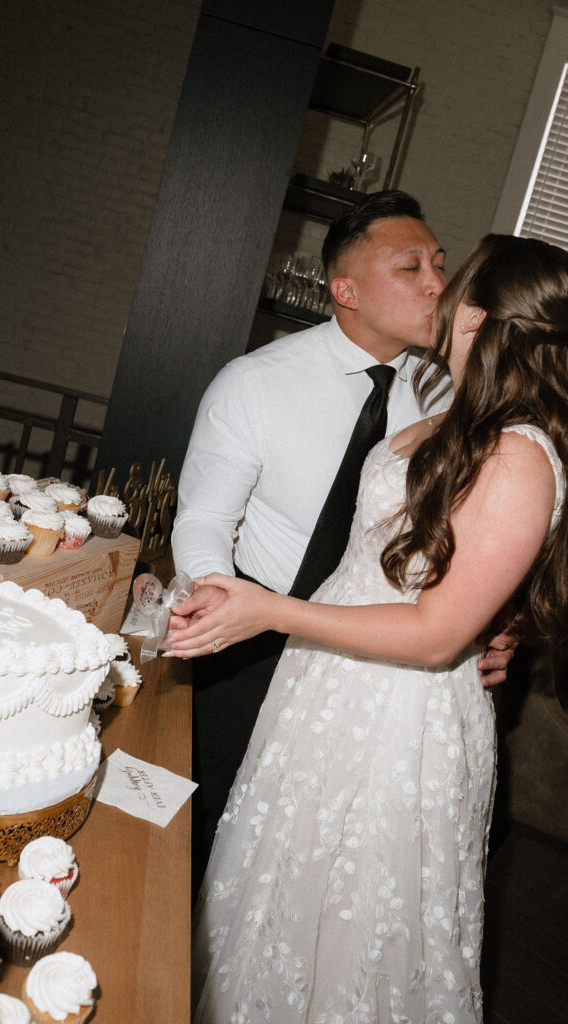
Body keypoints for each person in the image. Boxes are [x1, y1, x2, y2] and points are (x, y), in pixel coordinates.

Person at [167, 233, 568, 1023]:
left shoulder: (518, 452)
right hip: (325, 687)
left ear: (476, 316)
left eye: (450, 277)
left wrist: (269, 610)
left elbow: (435, 633)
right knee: (278, 888)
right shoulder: (452, 410)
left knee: (350, 918)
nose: (437, 288)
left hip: (397, 713)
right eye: (416, 268)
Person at [171, 192, 515, 882]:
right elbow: (205, 519)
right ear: (345, 290)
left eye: (439, 264)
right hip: (254, 646)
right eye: (410, 267)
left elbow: (491, 527)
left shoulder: (453, 398)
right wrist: (218, 598)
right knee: (215, 833)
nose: (437, 284)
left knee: (335, 856)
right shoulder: (256, 382)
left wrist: (496, 619)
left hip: (383, 664)